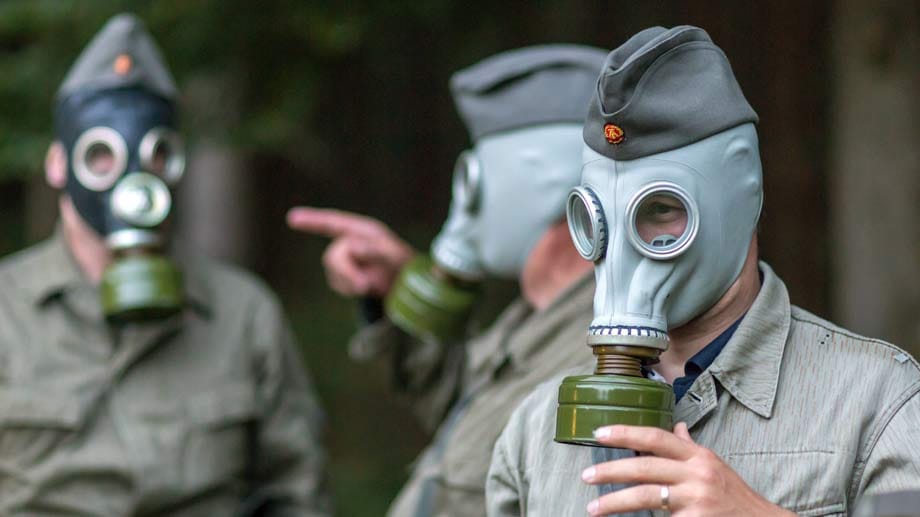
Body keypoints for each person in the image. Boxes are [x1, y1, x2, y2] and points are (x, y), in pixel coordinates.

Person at [486, 26, 920, 517]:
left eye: (661, 211)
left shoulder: (875, 402)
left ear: (741, 196)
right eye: (598, 218)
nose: (624, 255)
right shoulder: (534, 431)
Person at [0, 14, 329, 515]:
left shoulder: (242, 314)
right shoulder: (7, 312)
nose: (131, 178)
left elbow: (297, 492)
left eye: (154, 154)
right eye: (101, 156)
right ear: (58, 164)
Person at [288, 45, 606, 516]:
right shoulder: (539, 320)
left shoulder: (603, 356)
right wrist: (403, 288)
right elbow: (472, 413)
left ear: (539, 184)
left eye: (474, 182)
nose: (468, 210)